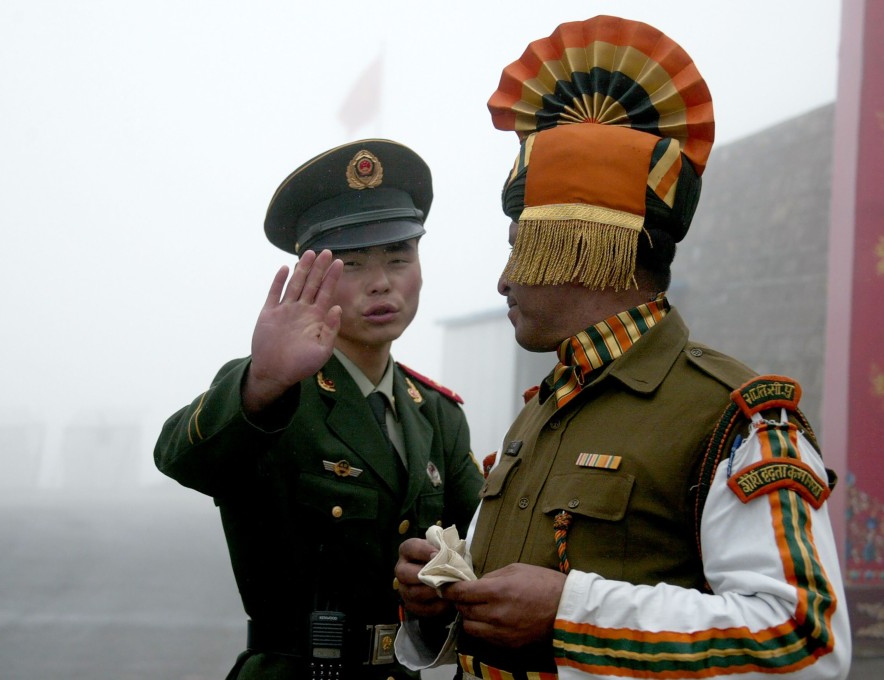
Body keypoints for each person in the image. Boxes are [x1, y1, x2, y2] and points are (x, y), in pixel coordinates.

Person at [394, 15, 851, 680]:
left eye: (520, 243)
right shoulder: (541, 412)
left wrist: (572, 613)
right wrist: (439, 609)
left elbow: (806, 643)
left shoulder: (735, 418)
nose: (503, 278)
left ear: (579, 242)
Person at [154, 139, 485, 680]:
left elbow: (481, 541)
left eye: (399, 258)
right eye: (353, 264)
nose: (382, 282)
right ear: (312, 279)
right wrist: (261, 381)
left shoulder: (437, 415)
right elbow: (180, 457)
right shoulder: (274, 392)